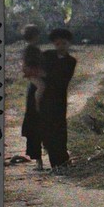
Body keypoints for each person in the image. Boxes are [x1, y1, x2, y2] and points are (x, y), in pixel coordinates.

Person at [38, 28, 77, 174]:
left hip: (59, 98)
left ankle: (63, 159)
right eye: (58, 43)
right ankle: (55, 162)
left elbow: (62, 80)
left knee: (60, 127)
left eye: (64, 43)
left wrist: (48, 77)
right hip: (45, 98)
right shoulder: (46, 56)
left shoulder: (71, 61)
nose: (61, 46)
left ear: (68, 44)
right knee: (48, 129)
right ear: (54, 44)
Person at [20, 25, 47, 170]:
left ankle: (39, 162)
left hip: (36, 87)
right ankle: (39, 162)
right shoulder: (31, 51)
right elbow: (28, 69)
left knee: (36, 125)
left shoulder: (32, 50)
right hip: (36, 87)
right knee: (36, 124)